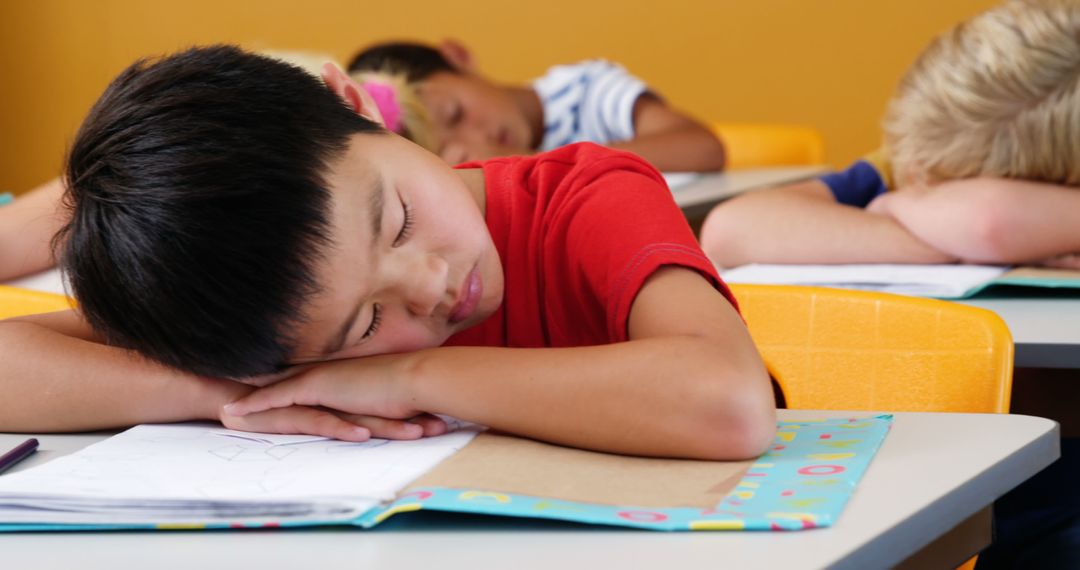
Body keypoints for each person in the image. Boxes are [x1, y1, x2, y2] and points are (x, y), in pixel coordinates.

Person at [0, 45, 775, 461]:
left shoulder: (582, 196)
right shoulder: (274, 318)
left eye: (398, 220)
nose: (432, 284)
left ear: (356, 106)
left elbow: (730, 407)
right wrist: (232, 398)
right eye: (366, 323)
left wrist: (405, 371)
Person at [699, 0, 1080, 269]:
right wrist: (940, 242)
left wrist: (902, 208)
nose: (907, 179)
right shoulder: (903, 162)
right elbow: (729, 229)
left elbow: (988, 221)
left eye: (930, 187)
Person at [346, 40, 727, 172]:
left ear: (458, 57)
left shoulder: (585, 90)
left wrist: (533, 163)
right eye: (446, 146)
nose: (477, 137)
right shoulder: (473, 172)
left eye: (456, 114)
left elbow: (703, 147)